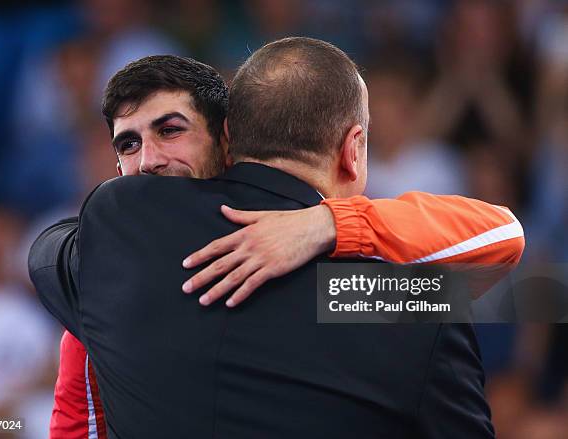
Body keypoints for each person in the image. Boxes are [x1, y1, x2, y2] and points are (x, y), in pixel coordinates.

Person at [31, 41, 523, 438]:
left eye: (171, 130)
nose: (150, 162)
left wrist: (326, 224)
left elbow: (46, 257)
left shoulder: (117, 244)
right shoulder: (381, 299)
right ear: (353, 150)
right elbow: (503, 251)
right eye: (129, 144)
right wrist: (335, 224)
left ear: (230, 138)